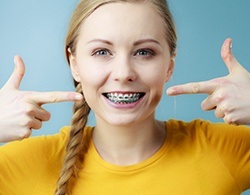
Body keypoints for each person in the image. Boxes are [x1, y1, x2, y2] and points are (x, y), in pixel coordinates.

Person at [0, 0, 249, 194]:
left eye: (144, 52)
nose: (123, 73)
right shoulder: (22, 164)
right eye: (101, 51)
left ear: (169, 66)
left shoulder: (225, 150)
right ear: (74, 64)